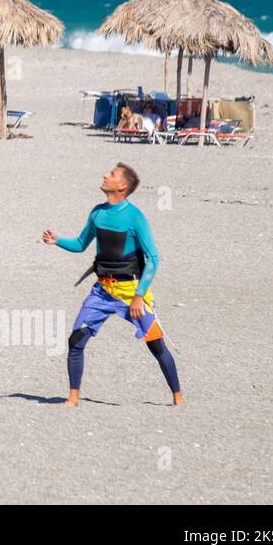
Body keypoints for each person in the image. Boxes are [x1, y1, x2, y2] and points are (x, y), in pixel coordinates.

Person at [42, 163, 183, 408]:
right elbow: (80, 244)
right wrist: (57, 241)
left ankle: (178, 397)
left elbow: (154, 259)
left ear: (123, 186)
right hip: (102, 292)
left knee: (156, 343)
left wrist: (139, 297)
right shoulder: (97, 212)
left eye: (112, 174)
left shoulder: (135, 217)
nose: (105, 175)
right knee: (75, 341)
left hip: (131, 293)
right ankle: (73, 397)